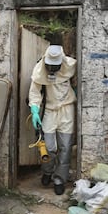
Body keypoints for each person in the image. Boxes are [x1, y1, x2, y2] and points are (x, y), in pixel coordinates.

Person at [29, 44, 77, 195]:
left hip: (67, 110)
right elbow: (35, 92)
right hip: (49, 110)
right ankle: (47, 171)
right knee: (48, 147)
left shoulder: (71, 66)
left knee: (65, 147)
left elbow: (77, 83)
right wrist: (34, 109)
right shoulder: (39, 69)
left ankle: (59, 179)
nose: (52, 68)